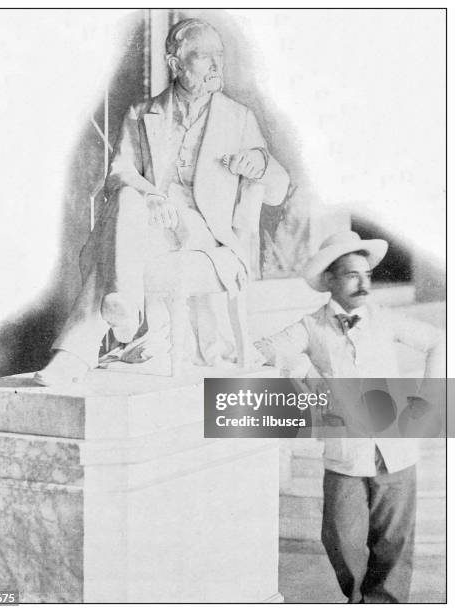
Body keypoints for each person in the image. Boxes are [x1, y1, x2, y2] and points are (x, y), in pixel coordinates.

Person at [35, 18, 290, 386]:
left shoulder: (238, 118)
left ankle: (76, 352)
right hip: (154, 228)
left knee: (114, 242)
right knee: (126, 197)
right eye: (205, 58)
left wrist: (261, 162)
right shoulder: (142, 115)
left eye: (220, 56)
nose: (217, 67)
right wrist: (151, 195)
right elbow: (118, 173)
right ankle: (119, 303)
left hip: (209, 235)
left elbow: (280, 185)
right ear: (175, 64)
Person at [255, 230, 444, 603]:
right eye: (352, 275)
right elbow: (262, 349)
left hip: (395, 445)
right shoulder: (312, 326)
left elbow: (440, 340)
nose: (364, 283)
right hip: (344, 448)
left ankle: (386, 604)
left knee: (394, 539)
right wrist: (303, 367)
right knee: (340, 536)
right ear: (329, 279)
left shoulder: (384, 318)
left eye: (367, 274)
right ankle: (358, 600)